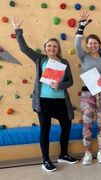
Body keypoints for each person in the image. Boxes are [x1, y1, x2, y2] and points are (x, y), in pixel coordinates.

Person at [10, 16, 78, 172]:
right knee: (45, 130)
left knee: (66, 126)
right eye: (49, 46)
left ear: (58, 48)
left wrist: (59, 85)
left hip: (61, 101)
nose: (52, 49)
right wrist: (18, 31)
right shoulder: (40, 59)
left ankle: (63, 154)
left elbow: (70, 82)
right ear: (45, 48)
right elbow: (24, 49)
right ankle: (46, 160)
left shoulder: (64, 62)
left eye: (54, 46)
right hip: (44, 101)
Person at [74, 11, 101, 165]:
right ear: (87, 46)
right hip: (87, 95)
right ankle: (88, 153)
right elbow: (76, 43)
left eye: (95, 43)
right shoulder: (83, 56)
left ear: (99, 45)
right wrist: (81, 26)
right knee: (87, 123)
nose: (93, 45)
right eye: (90, 43)